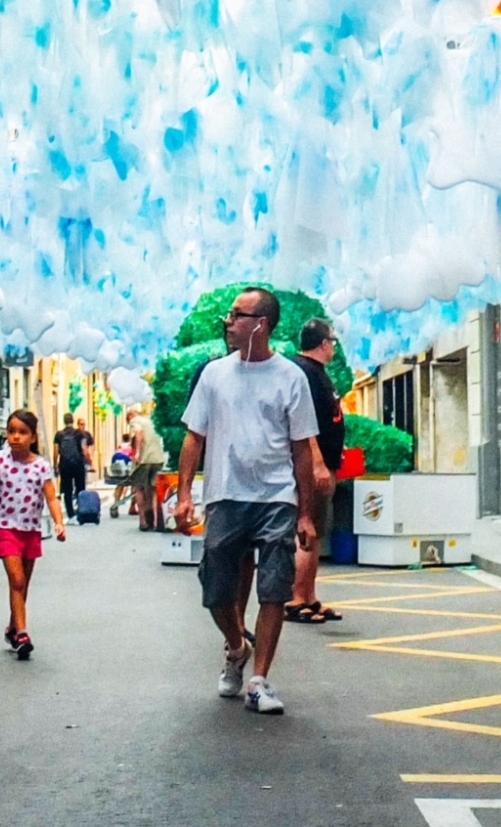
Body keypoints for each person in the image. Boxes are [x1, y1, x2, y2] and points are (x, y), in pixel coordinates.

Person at [173, 287, 322, 715]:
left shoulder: (290, 377)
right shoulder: (214, 374)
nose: (228, 322)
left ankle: (259, 679)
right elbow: (193, 438)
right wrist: (185, 495)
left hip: (276, 497)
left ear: (261, 324)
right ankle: (237, 646)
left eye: (237, 315)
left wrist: (306, 514)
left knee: (274, 588)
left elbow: (301, 448)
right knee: (215, 589)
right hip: (225, 494)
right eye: (230, 314)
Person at [0, 410, 64, 658]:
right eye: (11, 432)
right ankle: (22, 632)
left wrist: (59, 523)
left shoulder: (41, 466)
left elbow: (51, 498)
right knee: (17, 580)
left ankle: (13, 626)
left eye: (22, 433)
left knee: (23, 584)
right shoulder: (0, 460)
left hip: (31, 530)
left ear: (33, 437)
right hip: (6, 527)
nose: (15, 437)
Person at [283, 318, 347, 625]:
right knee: (307, 532)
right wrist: (319, 463)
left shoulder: (315, 373)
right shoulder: (304, 373)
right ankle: (296, 599)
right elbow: (304, 426)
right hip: (313, 467)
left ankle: (308, 597)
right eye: (332, 341)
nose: (333, 346)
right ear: (323, 343)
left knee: (317, 531)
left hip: (325, 462)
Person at [119, 406, 166, 522]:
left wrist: (137, 453)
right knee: (153, 490)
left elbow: (138, 433)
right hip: (158, 458)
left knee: (138, 488)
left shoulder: (134, 421)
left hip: (144, 459)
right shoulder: (150, 421)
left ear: (130, 416)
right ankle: (155, 521)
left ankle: (143, 521)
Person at [53, 416, 94, 519]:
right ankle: (81, 510)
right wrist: (89, 461)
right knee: (80, 488)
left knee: (67, 490)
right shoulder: (79, 433)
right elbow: (84, 449)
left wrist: (55, 465)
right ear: (73, 421)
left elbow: (55, 452)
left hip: (64, 464)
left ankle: (70, 514)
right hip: (78, 464)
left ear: (64, 421)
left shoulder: (59, 435)